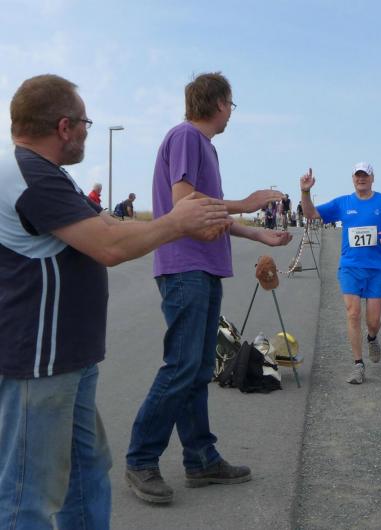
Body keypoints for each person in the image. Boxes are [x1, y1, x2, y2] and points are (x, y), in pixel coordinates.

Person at [0, 74, 230, 529]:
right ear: (64, 126)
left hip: (68, 360)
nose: (87, 131)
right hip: (39, 364)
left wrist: (176, 222)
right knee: (28, 492)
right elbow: (108, 246)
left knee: (85, 474)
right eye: (85, 123)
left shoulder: (46, 174)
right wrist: (177, 221)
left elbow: (107, 226)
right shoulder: (27, 174)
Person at [125, 72, 291, 504]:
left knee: (198, 370)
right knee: (182, 366)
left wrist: (258, 234)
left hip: (202, 268)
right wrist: (247, 202)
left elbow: (210, 214)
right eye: (230, 104)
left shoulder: (204, 147)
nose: (231, 113)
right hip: (185, 267)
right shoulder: (186, 136)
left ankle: (201, 459)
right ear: (218, 103)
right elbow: (185, 202)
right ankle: (141, 458)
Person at [299, 164, 381, 384]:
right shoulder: (343, 203)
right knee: (353, 313)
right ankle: (358, 365)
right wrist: (305, 191)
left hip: (377, 269)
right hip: (350, 267)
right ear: (353, 178)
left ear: (372, 178)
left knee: (373, 321)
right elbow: (310, 214)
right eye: (358, 175)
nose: (361, 179)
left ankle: (372, 337)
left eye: (365, 175)